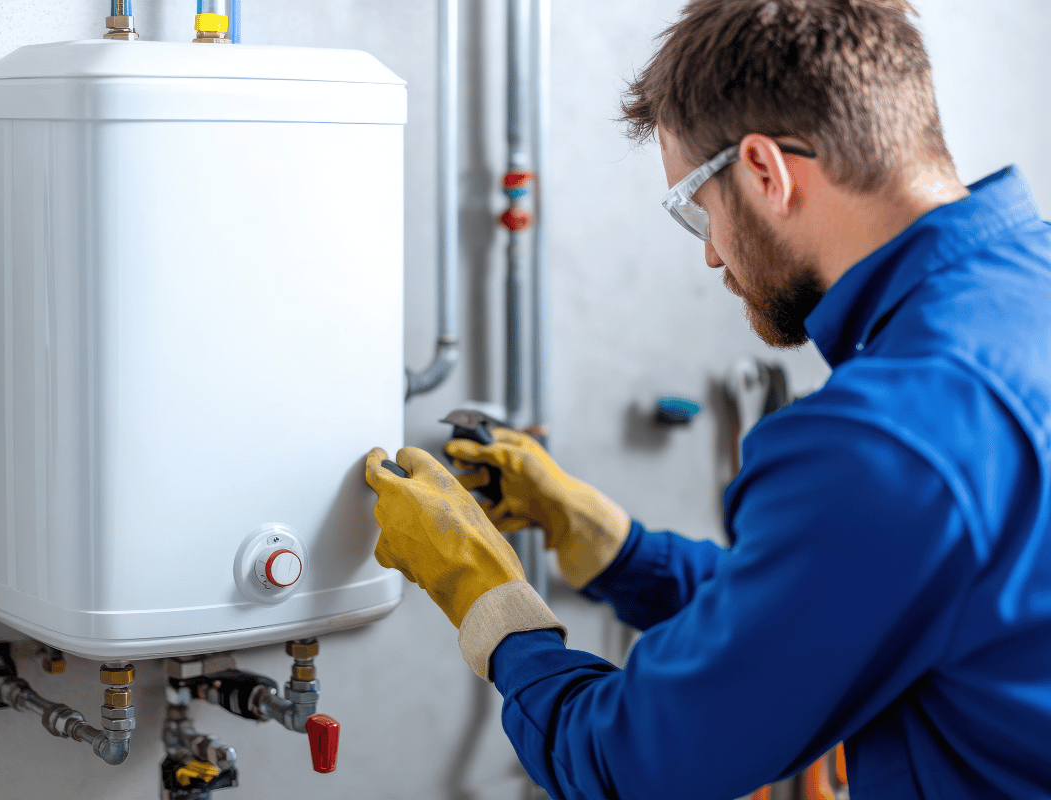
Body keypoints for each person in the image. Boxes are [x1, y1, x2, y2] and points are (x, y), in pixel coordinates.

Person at [364, 0, 1051, 797]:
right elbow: (840, 606)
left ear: (765, 171)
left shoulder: (887, 437)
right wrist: (612, 544)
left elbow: (628, 766)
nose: (712, 256)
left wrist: (482, 589)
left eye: (696, 208)